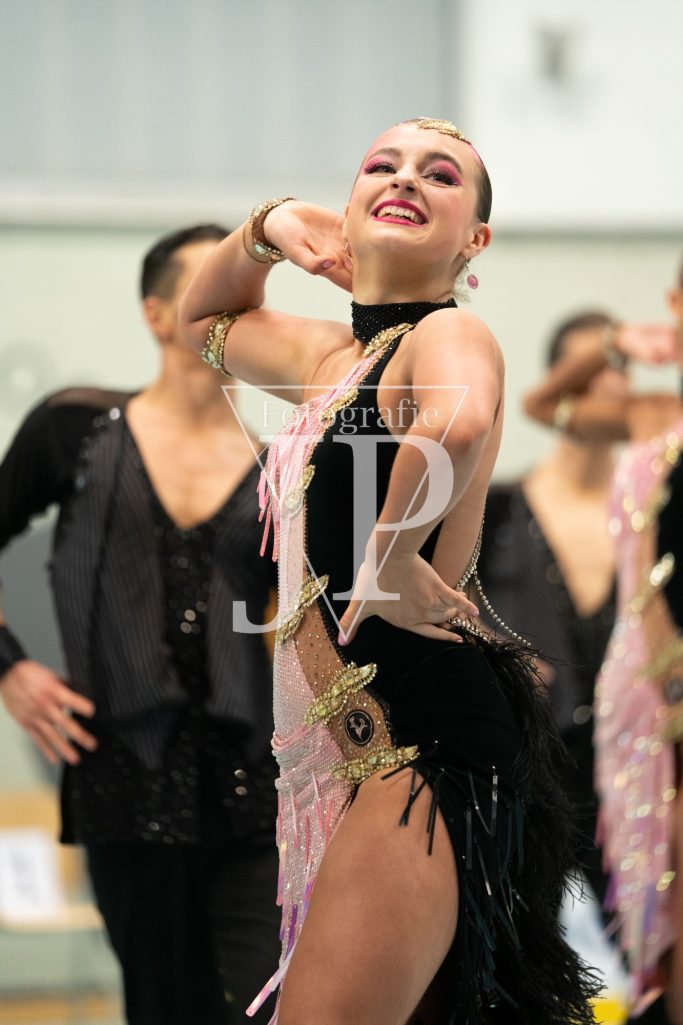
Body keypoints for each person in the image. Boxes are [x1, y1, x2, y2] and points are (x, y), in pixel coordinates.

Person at [179, 119, 599, 1025]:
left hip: (421, 741)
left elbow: (455, 422)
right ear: (348, 208)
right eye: (382, 164)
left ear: (474, 239)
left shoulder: (448, 332)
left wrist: (394, 553)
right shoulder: (332, 360)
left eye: (439, 174)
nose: (406, 178)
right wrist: (267, 226)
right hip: (363, 749)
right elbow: (201, 320)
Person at [0, 225, 281, 1025]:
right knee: (165, 1008)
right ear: (157, 314)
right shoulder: (75, 428)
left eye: (248, 290)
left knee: (273, 1000)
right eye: (211, 284)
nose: (234, 303)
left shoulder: (281, 467)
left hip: (254, 784)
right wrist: (9, 666)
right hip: (121, 776)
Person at [524, 258, 683, 1025]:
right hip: (634, 687)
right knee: (645, 884)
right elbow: (543, 401)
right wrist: (615, 342)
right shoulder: (649, 412)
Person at [478, 310, 627, 909]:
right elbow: (443, 611)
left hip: (635, 772)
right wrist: (501, 655)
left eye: (618, 369)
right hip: (530, 775)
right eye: (590, 370)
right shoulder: (496, 514)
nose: (607, 383)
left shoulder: (654, 517)